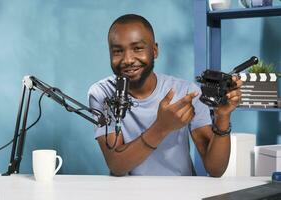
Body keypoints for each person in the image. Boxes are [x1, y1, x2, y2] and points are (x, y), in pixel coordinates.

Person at [88, 14, 242, 176]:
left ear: (154, 51)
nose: (127, 59)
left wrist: (223, 118)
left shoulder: (186, 92)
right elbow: (117, 165)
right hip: (129, 193)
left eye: (138, 48)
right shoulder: (101, 93)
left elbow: (216, 169)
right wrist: (162, 127)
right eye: (118, 51)